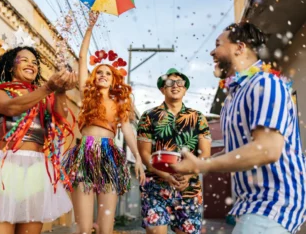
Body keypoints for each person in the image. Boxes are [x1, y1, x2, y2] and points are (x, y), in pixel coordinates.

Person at [172, 22, 306, 234]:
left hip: (276, 202)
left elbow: (267, 149)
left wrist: (202, 166)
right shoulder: (232, 100)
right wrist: (197, 165)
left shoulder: (266, 83)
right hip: (250, 204)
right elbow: (239, 152)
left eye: (218, 44)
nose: (212, 51)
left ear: (239, 47)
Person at [0, 31, 77, 234]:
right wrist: (48, 87)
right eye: (24, 60)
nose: (31, 64)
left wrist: (61, 91)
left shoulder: (43, 96)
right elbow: (11, 108)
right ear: (11, 64)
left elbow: (60, 115)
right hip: (0, 172)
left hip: (36, 173)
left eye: (35, 62)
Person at [62, 12, 145, 234]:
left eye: (107, 73)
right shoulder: (86, 94)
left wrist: (137, 157)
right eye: (99, 72)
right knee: (84, 227)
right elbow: (81, 56)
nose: (103, 75)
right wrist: (90, 27)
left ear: (114, 78)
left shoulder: (119, 102)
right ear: (93, 76)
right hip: (84, 153)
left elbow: (127, 129)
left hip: (109, 156)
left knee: (106, 229)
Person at [137, 68, 212, 234]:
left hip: (189, 188)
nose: (175, 85)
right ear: (162, 89)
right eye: (170, 82)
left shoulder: (198, 118)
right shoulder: (148, 116)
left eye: (180, 83)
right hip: (155, 187)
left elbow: (205, 154)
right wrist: (166, 176)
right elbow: (144, 155)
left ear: (185, 89)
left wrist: (187, 175)